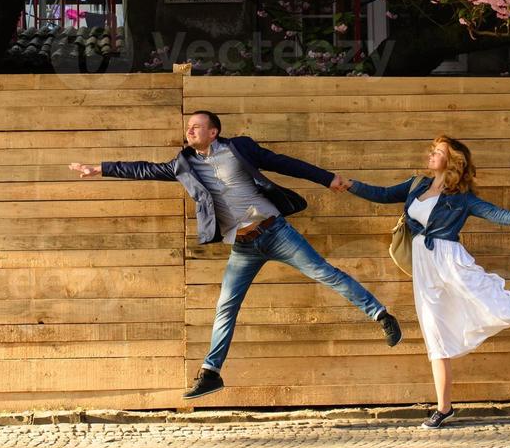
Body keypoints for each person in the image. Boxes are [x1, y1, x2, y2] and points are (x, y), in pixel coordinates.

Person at [71, 110, 401, 400]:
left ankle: (381, 315)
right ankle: (211, 373)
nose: (190, 131)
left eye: (196, 127)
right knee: (226, 306)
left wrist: (327, 178)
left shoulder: (239, 148)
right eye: (188, 127)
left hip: (276, 231)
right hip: (243, 246)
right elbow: (144, 169)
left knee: (324, 273)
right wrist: (99, 168)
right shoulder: (184, 164)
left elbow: (286, 163)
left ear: (214, 131)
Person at [343, 135, 510, 428]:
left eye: (438, 152)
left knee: (504, 309)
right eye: (432, 150)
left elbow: (495, 213)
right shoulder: (416, 184)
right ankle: (444, 408)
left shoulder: (462, 197)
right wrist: (350, 185)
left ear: (452, 160)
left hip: (450, 261)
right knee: (435, 333)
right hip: (424, 266)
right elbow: (381, 194)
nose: (431, 155)